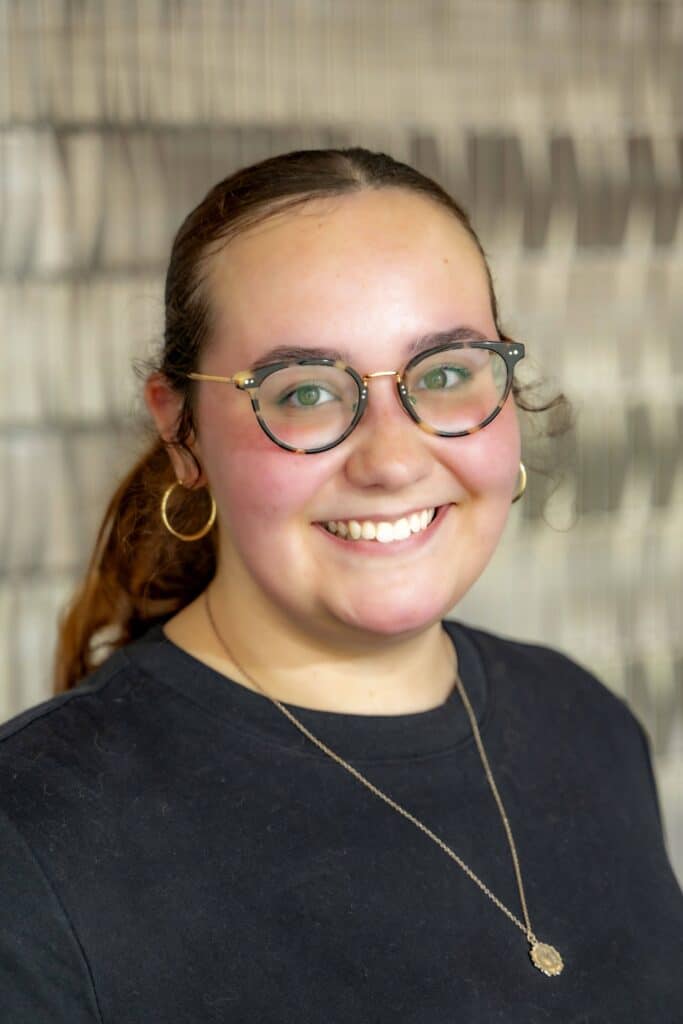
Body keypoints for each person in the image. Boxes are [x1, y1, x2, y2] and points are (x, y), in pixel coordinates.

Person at [0, 148, 681, 1023]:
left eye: (441, 374)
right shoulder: (33, 836)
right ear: (182, 433)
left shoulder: (586, 725)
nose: (393, 462)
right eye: (306, 392)